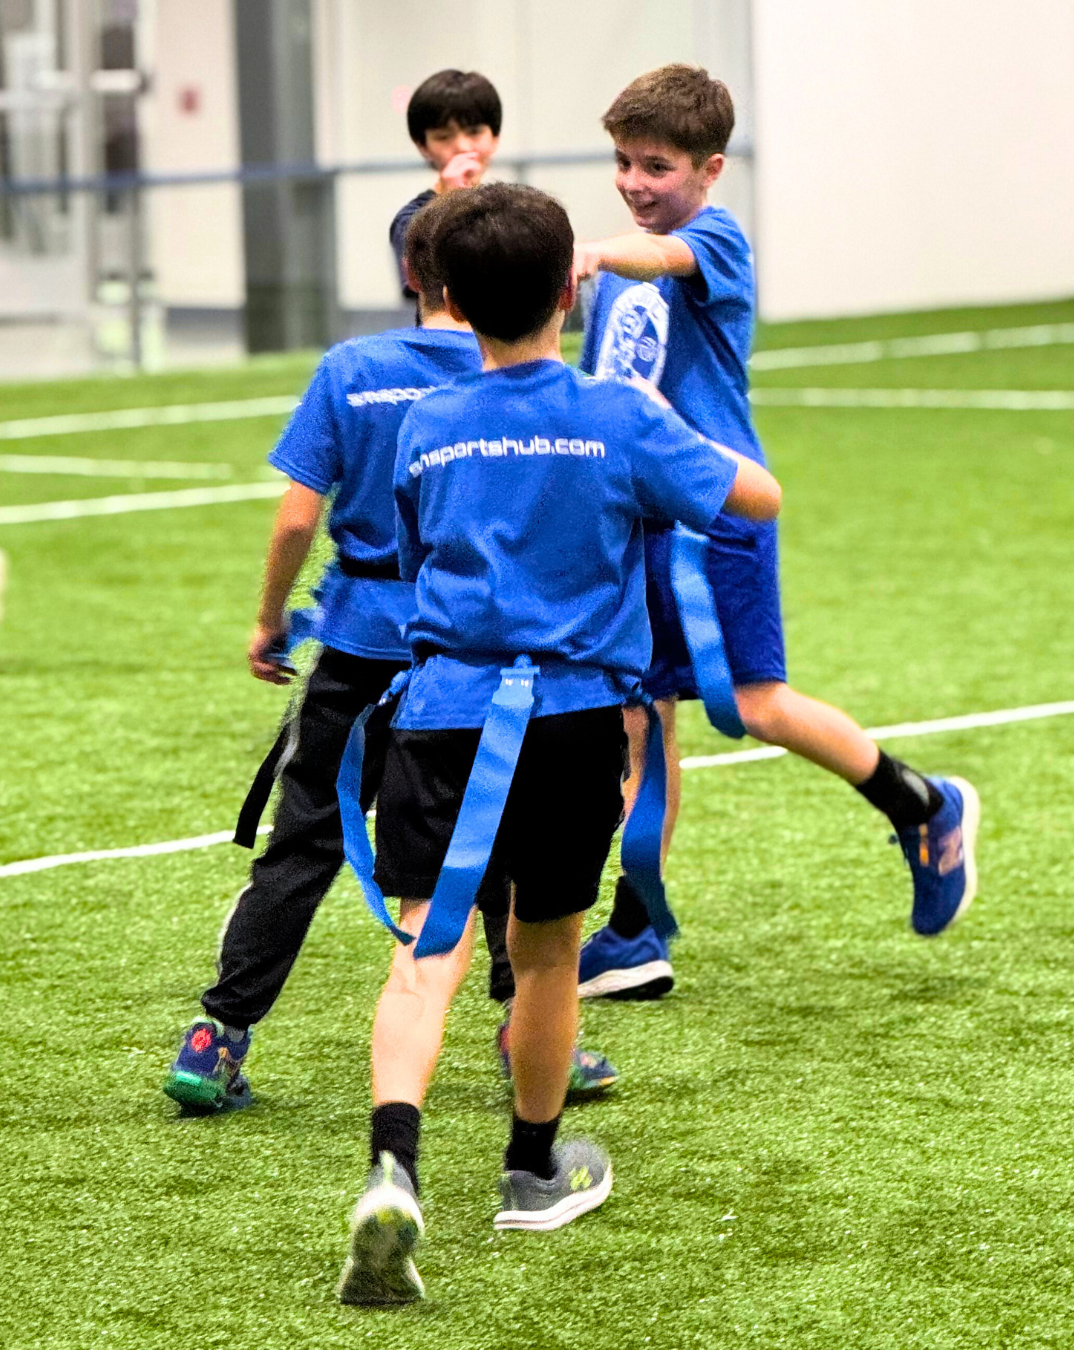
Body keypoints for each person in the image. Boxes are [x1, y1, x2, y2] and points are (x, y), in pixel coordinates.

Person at [337, 181, 781, 1304]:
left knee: (423, 954)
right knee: (543, 953)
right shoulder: (619, 416)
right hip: (574, 722)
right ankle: (532, 1171)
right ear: (570, 293)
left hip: (443, 715)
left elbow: (412, 551)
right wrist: (676, 434)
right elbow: (758, 499)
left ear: (446, 294)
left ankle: (393, 1169)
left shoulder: (426, 422)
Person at [163, 197, 616, 1114]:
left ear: (413, 273)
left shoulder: (353, 369)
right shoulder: (518, 377)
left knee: (304, 843)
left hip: (359, 643)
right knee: (502, 841)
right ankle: (531, 1037)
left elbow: (297, 518)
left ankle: (218, 1035)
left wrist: (269, 620)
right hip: (470, 655)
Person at [573, 64, 980, 1001]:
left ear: (709, 170)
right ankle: (635, 933)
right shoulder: (621, 267)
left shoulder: (711, 240)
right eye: (623, 162)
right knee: (641, 721)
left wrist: (589, 251)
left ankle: (924, 804)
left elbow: (662, 259)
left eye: (657, 166)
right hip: (634, 525)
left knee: (755, 704)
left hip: (719, 518)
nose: (635, 182)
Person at [388, 69, 502, 300]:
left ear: (495, 138)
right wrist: (452, 204)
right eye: (443, 136)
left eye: (475, 132)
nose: (462, 146)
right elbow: (425, 288)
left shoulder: (512, 210)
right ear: (423, 146)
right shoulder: (409, 219)